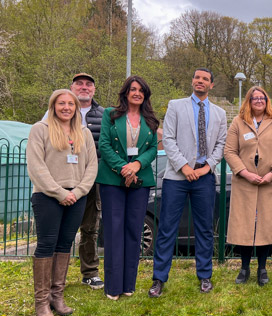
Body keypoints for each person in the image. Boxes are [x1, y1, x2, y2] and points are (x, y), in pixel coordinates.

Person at [148, 68, 227, 298]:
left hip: (204, 177)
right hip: (177, 177)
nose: (200, 81)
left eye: (205, 79)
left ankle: (205, 276)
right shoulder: (175, 106)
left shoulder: (220, 113)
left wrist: (206, 167)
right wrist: (184, 166)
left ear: (211, 85)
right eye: (197, 77)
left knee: (204, 229)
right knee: (166, 229)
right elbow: (168, 139)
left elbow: (221, 144)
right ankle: (159, 279)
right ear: (192, 81)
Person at [26, 89, 98, 316]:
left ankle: (57, 296)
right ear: (53, 106)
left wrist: (77, 192)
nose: (66, 107)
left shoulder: (83, 133)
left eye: (70, 104)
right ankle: (42, 302)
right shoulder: (40, 129)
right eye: (61, 103)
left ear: (76, 107)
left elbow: (91, 167)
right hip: (48, 196)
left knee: (65, 244)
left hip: (76, 197)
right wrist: (59, 193)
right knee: (47, 244)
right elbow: (36, 167)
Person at [96, 76, 159, 300]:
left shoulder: (150, 119)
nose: (137, 93)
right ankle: (112, 287)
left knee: (134, 231)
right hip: (112, 179)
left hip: (140, 180)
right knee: (114, 231)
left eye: (141, 90)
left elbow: (152, 148)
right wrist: (124, 168)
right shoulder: (110, 115)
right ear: (126, 92)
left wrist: (136, 165)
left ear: (145, 95)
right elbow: (104, 144)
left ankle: (128, 285)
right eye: (133, 89)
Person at [224, 86, 272, 286]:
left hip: (270, 183)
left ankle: (262, 269)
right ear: (249, 101)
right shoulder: (238, 122)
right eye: (255, 98)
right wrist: (244, 173)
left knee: (266, 225)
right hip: (245, 183)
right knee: (244, 225)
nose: (259, 101)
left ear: (267, 100)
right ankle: (244, 268)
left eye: (262, 98)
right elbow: (229, 151)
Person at [43, 73, 104, 289]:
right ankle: (55, 276)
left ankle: (90, 272)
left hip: (90, 181)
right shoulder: (54, 113)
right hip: (58, 181)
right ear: (72, 87)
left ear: (94, 90)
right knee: (58, 230)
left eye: (89, 84)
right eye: (80, 84)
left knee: (90, 228)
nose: (84, 87)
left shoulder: (103, 115)